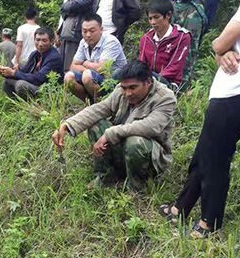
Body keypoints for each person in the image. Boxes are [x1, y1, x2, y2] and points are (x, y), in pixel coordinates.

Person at [159, 0, 240, 238]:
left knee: (215, 158)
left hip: (236, 93)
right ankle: (181, 208)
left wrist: (221, 49)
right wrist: (222, 51)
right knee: (205, 153)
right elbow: (225, 46)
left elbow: (218, 42)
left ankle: (210, 222)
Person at [54, 60, 176, 190]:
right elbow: (100, 109)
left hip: (150, 157)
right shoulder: (121, 90)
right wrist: (67, 125)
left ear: (148, 82)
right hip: (122, 147)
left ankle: (137, 187)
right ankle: (106, 177)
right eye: (124, 88)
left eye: (133, 87)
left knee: (135, 141)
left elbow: (150, 126)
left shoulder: (165, 97)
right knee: (96, 124)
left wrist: (110, 134)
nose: (128, 93)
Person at [160, 0, 235, 80]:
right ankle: (163, 81)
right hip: (172, 7)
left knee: (188, 48)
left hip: (194, 7)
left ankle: (182, 85)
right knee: (166, 44)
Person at [63, 13, 127, 102]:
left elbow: (103, 68)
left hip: (113, 81)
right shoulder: (83, 42)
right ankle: (88, 103)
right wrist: (88, 68)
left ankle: (102, 104)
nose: (88, 35)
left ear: (101, 30)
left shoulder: (110, 41)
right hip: (95, 78)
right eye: (84, 31)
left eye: (92, 31)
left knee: (87, 76)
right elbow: (73, 66)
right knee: (69, 77)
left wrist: (86, 63)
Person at [138, 0, 191, 89]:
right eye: (150, 18)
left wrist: (150, 78)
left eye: (156, 17)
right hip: (147, 79)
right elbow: (141, 63)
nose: (153, 22)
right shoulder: (146, 38)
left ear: (168, 15)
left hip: (169, 83)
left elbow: (175, 67)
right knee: (120, 76)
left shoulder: (182, 37)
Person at [0, 27, 64, 100]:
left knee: (21, 85)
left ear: (51, 41)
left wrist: (13, 73)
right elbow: (23, 72)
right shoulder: (35, 54)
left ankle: (36, 106)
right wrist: (6, 72)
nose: (40, 44)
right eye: (38, 40)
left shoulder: (54, 58)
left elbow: (39, 78)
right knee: (7, 82)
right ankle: (18, 106)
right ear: (34, 40)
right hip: (37, 86)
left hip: (49, 91)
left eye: (44, 41)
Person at [58, 0, 99, 71]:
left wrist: (66, 6)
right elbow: (65, 8)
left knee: (70, 69)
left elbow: (72, 6)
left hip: (76, 34)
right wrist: (66, 7)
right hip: (66, 33)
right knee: (60, 69)